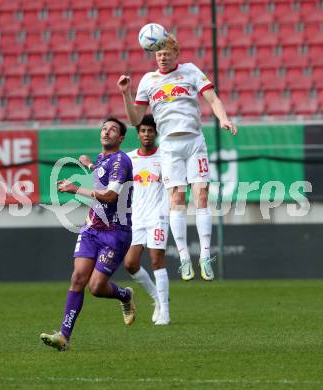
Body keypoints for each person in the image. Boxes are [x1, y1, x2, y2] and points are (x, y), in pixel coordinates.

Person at [117, 34, 237, 282]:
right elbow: (135, 119)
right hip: (169, 146)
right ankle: (184, 257)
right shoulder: (148, 81)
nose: (161, 57)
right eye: (158, 54)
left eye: (166, 53)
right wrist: (126, 94)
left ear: (175, 54)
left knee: (202, 195)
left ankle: (205, 256)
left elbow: (212, 98)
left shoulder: (191, 71)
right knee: (177, 198)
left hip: (194, 141)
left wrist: (223, 118)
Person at [40, 116, 135, 351]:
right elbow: (101, 179)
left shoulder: (121, 161)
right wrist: (90, 166)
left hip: (115, 232)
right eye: (104, 128)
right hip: (92, 228)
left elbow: (110, 196)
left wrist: (75, 188)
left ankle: (124, 295)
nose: (106, 132)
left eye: (112, 130)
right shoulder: (103, 158)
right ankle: (64, 336)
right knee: (77, 279)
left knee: (96, 288)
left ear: (121, 138)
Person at [125, 114, 170, 325]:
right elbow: (110, 177)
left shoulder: (165, 157)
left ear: (156, 133)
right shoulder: (130, 158)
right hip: (137, 217)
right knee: (130, 263)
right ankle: (157, 299)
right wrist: (90, 167)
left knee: (156, 260)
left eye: (150, 131)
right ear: (138, 133)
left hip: (158, 215)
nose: (146, 134)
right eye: (143, 130)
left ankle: (166, 312)